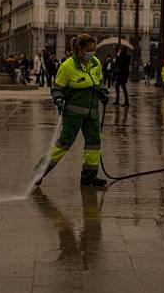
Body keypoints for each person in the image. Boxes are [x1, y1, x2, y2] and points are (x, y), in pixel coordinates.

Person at [33, 34, 108, 188]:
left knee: (94, 145)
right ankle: (39, 171)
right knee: (63, 144)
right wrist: (59, 100)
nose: (91, 53)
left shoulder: (96, 63)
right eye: (88, 50)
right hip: (73, 113)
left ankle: (89, 178)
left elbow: (100, 81)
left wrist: (103, 92)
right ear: (79, 49)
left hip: (92, 113)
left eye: (93, 50)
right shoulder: (67, 66)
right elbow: (57, 88)